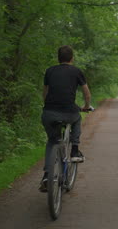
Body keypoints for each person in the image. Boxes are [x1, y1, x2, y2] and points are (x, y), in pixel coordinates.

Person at [39, 45, 92, 192]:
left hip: (49, 113)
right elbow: (87, 94)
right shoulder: (76, 71)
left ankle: (46, 175)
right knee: (77, 119)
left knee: (52, 141)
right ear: (72, 58)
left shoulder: (49, 71)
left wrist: (48, 106)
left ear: (58, 58)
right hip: (69, 112)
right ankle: (75, 150)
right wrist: (86, 106)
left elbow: (45, 93)